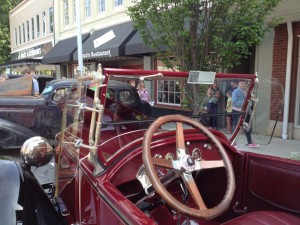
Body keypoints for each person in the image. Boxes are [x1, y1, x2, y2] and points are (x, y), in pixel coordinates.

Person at [232, 80, 259, 148]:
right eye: (241, 83)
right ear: (238, 84)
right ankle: (233, 142)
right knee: (236, 127)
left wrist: (250, 108)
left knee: (248, 127)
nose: (243, 85)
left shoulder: (248, 92)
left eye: (244, 83)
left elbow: (250, 102)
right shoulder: (235, 91)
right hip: (238, 111)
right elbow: (234, 102)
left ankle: (249, 142)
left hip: (247, 111)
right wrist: (246, 101)